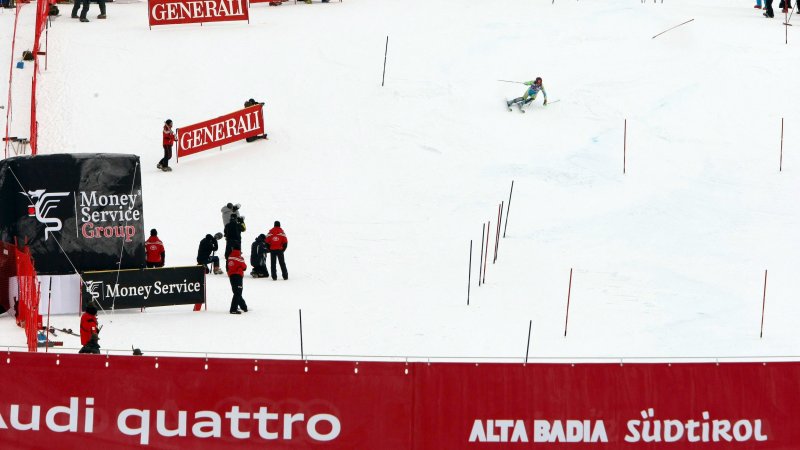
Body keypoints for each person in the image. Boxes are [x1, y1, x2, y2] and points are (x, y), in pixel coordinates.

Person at [226, 245, 248, 314]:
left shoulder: (229, 257)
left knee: (236, 292)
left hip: (231, 276)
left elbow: (227, 266)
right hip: (238, 276)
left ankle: (244, 307)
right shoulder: (239, 258)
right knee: (238, 292)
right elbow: (244, 267)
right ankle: (233, 309)